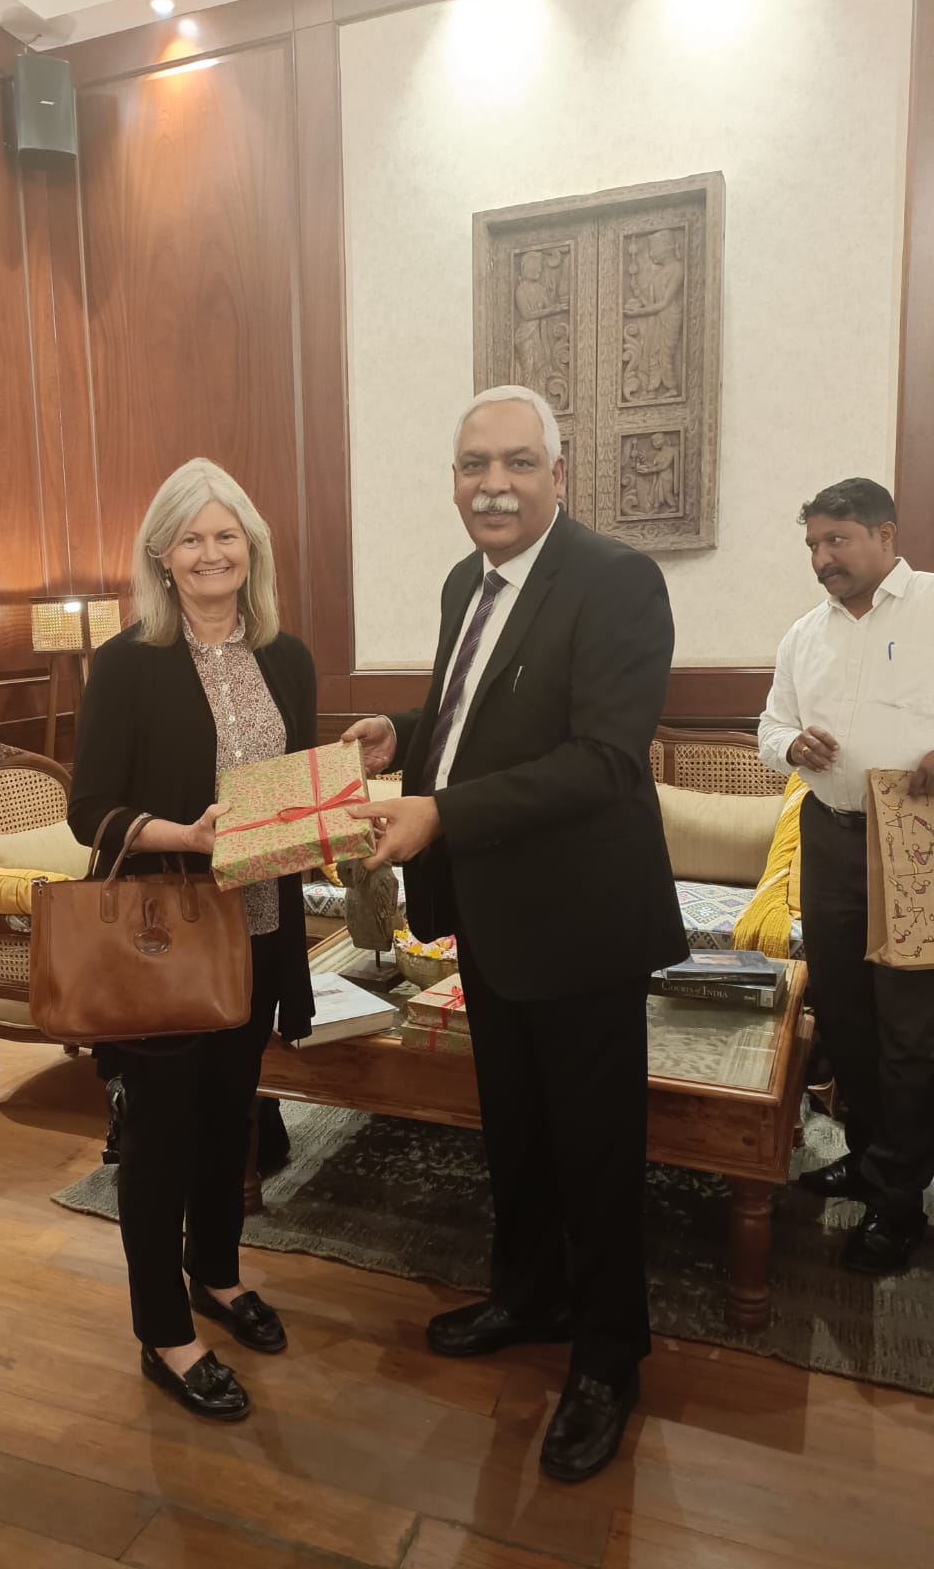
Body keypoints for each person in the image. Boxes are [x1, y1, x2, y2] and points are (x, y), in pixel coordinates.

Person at [343, 385, 686, 1484]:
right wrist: (400, 732)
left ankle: (609, 1357)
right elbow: (472, 713)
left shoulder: (617, 580)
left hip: (581, 923)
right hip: (490, 916)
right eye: (472, 465)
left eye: (517, 463)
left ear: (559, 473)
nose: (492, 485)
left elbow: (605, 759)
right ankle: (529, 1295)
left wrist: (440, 811)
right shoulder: (467, 581)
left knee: (596, 1148)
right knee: (518, 1133)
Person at [68, 457, 316, 1420]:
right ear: (162, 559)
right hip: (163, 945)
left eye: (227, 535)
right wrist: (185, 836)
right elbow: (90, 809)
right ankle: (164, 1332)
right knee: (159, 1142)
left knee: (230, 1123)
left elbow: (294, 793)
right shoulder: (127, 663)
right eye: (191, 539)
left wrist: (329, 823)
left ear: (251, 549)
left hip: (261, 931)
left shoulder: (286, 657)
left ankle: (215, 1272)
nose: (212, 553)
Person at [759, 477, 934, 1275]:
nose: (822, 558)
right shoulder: (804, 635)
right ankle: (866, 1159)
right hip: (829, 836)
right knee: (844, 1014)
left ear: (885, 536)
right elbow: (771, 725)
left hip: (916, 840)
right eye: (813, 546)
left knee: (909, 1030)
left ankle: (900, 1203)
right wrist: (791, 746)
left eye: (836, 540)